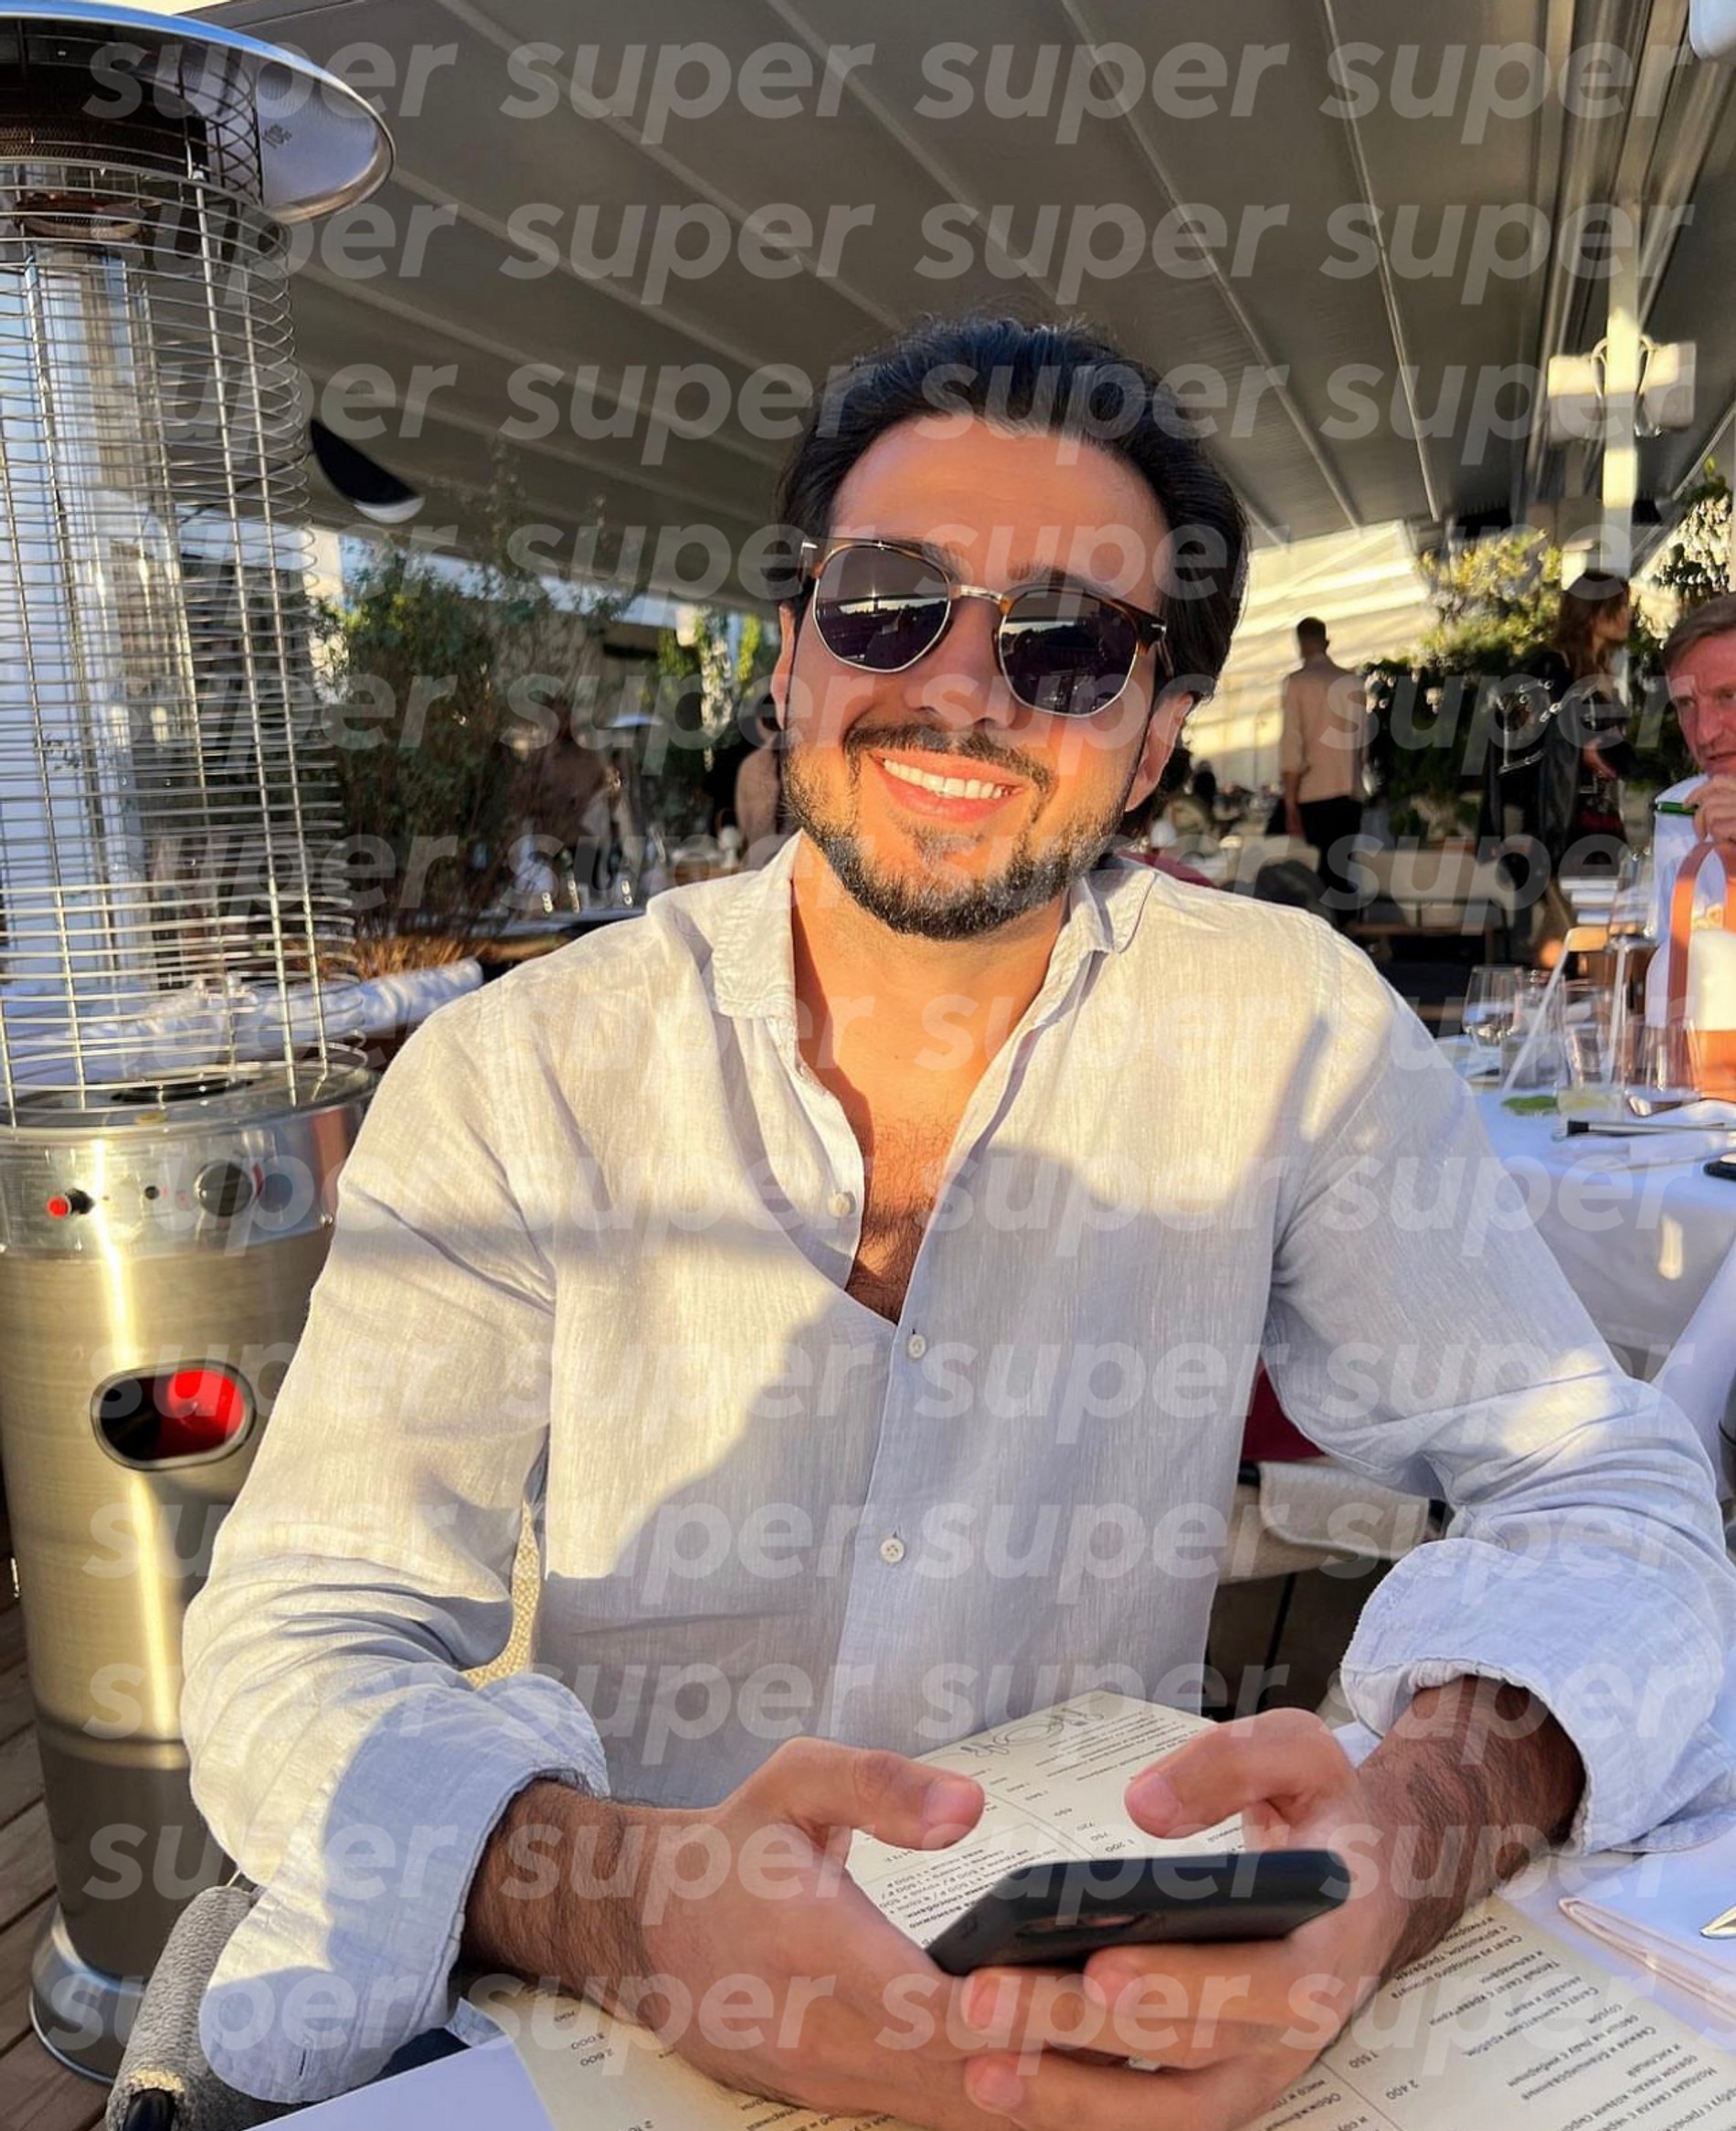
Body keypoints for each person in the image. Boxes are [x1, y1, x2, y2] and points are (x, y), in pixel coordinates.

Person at [183, 317, 1734, 2129]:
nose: (963, 687)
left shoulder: (1282, 1030)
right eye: (887, 603)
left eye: (1066, 643)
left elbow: (1603, 1487)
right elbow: (302, 1631)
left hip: (1123, 2009)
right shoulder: (521, 1074)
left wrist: (1409, 1831)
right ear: (790, 657)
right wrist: (625, 1900)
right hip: (631, 2030)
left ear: (1154, 742)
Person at [1645, 592, 1736, 1021]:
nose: (1704, 733)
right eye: (1686, 705)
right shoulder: (1679, 809)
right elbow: (1679, 987)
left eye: (1729, 696)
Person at [1279, 618, 1367, 921]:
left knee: (1315, 875)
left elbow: (1293, 744)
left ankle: (1326, 930)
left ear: (1300, 644)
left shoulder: (1297, 683)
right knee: (1341, 868)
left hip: (1314, 793)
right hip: (1350, 791)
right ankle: (1348, 928)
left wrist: (1290, 802)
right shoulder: (1352, 682)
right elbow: (1363, 747)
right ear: (1326, 641)